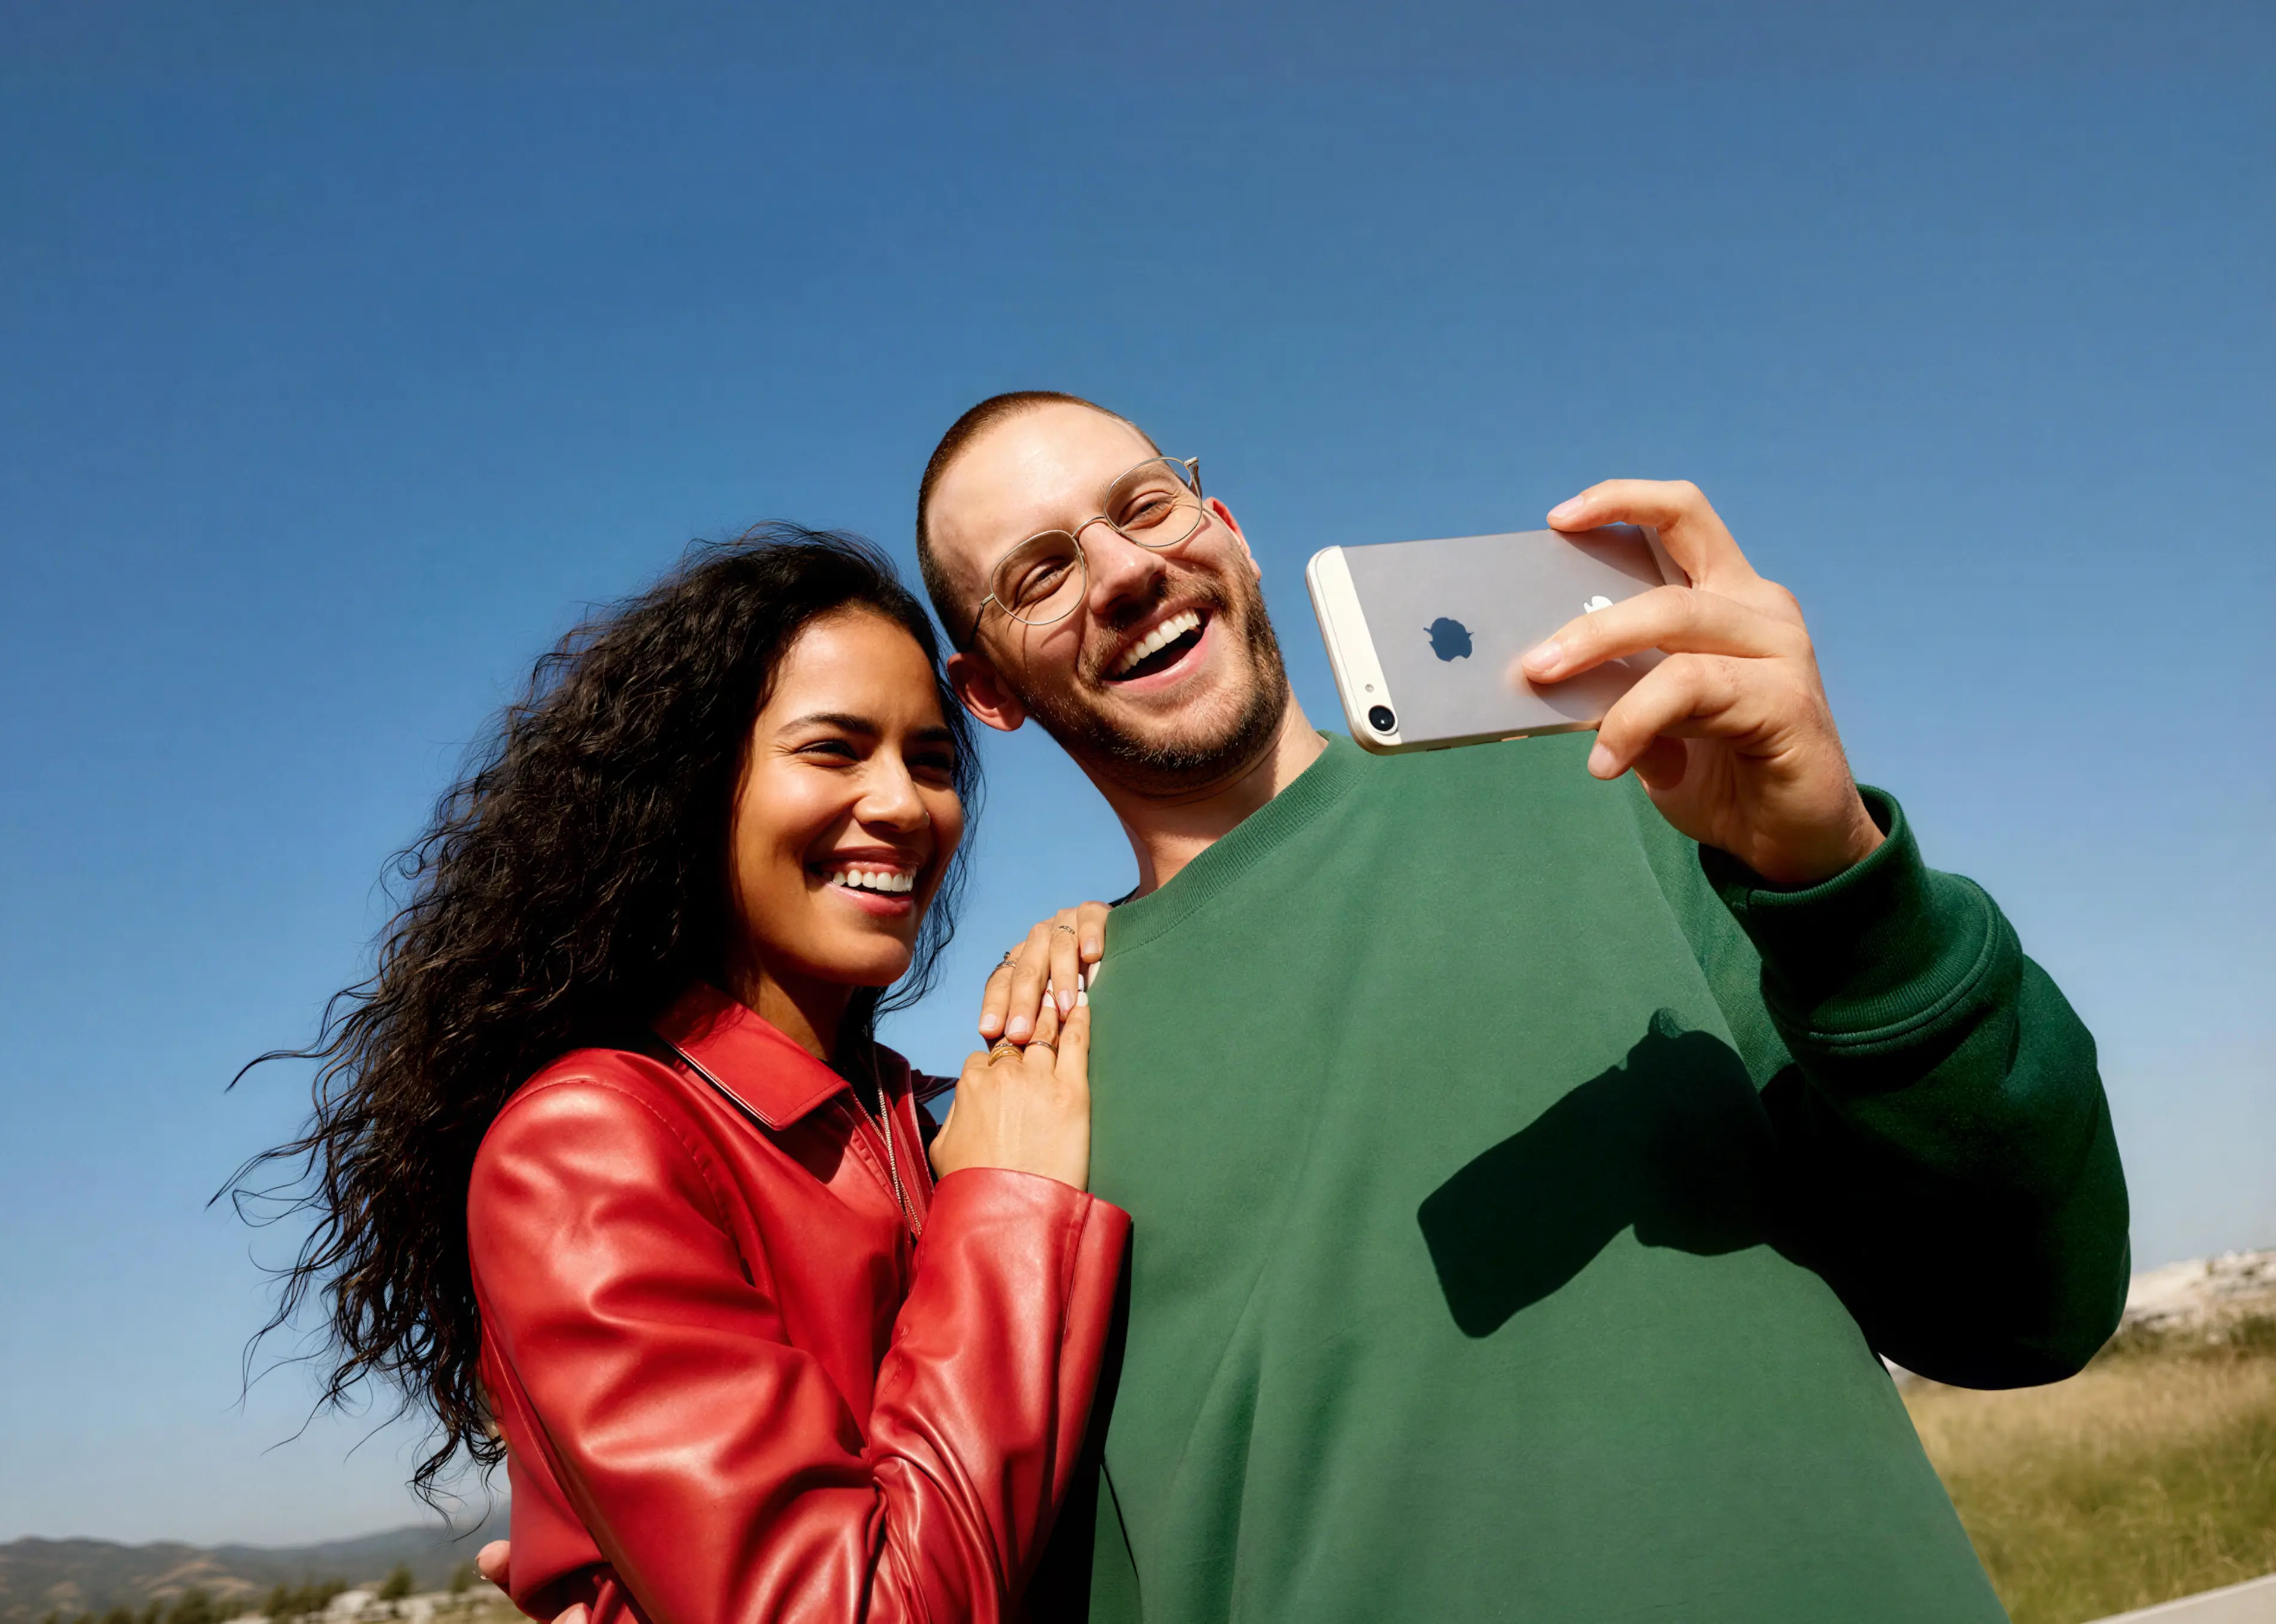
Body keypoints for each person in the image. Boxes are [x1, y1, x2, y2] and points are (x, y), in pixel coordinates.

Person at [911, 393, 2129, 1622]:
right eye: (1039, 574)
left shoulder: (1634, 786)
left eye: (1143, 507)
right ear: (987, 693)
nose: (1123, 570)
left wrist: (1838, 884)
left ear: (1224, 526)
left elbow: (2025, 1315)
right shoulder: (1032, 1095)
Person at [240, 529, 1126, 1624]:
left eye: (932, 760)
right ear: (695, 789)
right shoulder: (590, 1142)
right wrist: (1010, 1217)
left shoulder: (921, 1115)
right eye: (835, 749)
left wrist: (1118, 944)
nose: (903, 804)